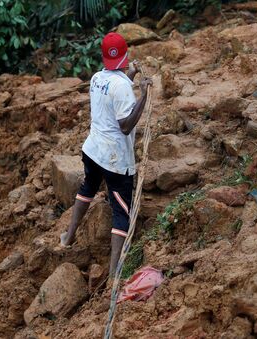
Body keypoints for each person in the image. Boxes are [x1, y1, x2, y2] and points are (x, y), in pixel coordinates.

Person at [60, 32, 153, 276]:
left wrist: (131, 75)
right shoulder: (123, 86)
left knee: (88, 187)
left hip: (93, 150)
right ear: (126, 54)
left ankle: (68, 236)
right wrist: (143, 95)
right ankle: (114, 273)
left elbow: (115, 89)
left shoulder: (97, 78)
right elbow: (125, 125)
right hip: (115, 160)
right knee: (122, 212)